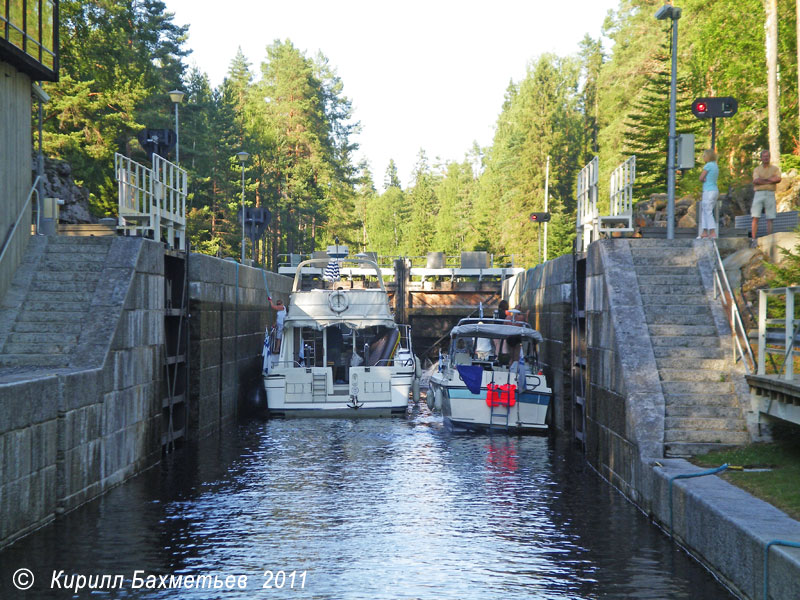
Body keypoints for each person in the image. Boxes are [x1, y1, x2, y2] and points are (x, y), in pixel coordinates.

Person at [751, 149, 782, 247]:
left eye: (767, 156)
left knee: (770, 217)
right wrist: (770, 180)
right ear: (761, 158)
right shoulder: (757, 169)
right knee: (755, 217)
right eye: (764, 156)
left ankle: (769, 238)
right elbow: (756, 181)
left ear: (770, 157)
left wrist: (763, 180)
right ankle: (753, 238)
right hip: (759, 194)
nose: (766, 158)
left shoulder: (775, 169)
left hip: (770, 193)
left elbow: (778, 179)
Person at [698, 149, 719, 239]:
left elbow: (701, 178)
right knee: (705, 210)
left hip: (708, 190)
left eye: (704, 156)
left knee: (708, 211)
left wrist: (704, 179)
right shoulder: (715, 166)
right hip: (714, 190)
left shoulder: (708, 165)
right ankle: (705, 231)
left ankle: (713, 232)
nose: (703, 157)